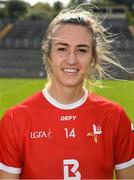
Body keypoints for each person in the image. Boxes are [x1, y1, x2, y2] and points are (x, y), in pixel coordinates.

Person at [0, 4, 134, 179]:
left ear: (93, 57)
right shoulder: (15, 120)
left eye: (82, 50)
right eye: (62, 49)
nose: (72, 60)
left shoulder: (115, 117)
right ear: (48, 54)